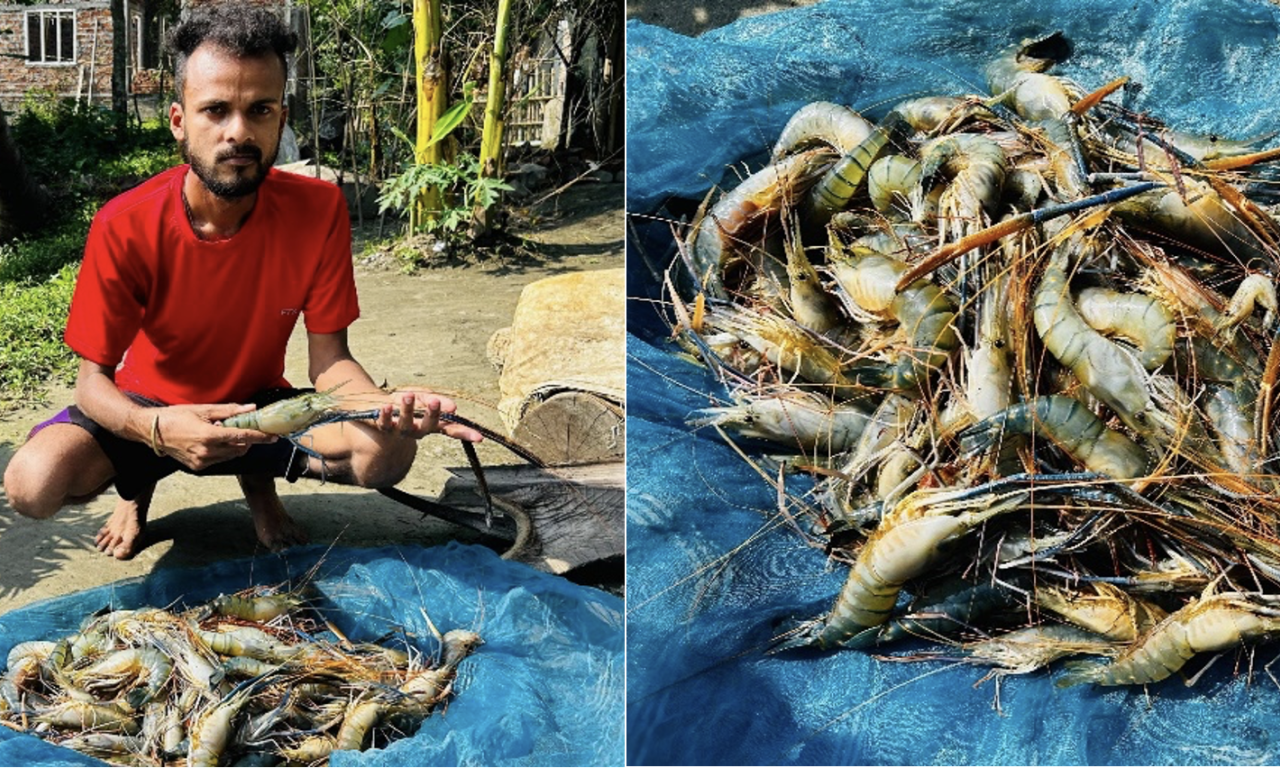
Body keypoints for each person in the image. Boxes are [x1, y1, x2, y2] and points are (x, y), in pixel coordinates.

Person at [2, 4, 482, 559]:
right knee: (32, 484)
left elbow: (329, 360)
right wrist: (154, 428)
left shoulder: (319, 208)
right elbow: (92, 384)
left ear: (282, 118)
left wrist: (387, 407)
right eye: (216, 110)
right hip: (149, 402)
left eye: (260, 110)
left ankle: (260, 488)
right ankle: (136, 493)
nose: (239, 132)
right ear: (179, 121)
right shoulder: (124, 224)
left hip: (259, 406)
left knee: (384, 459)